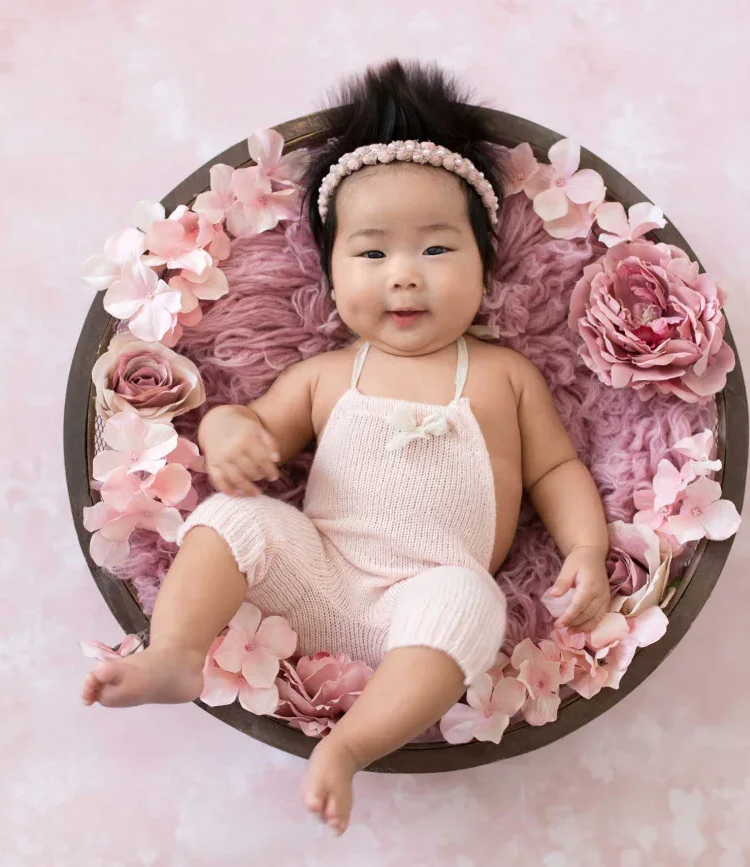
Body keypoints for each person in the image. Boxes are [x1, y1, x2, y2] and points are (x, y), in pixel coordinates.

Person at [81, 59, 611, 836]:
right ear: (329, 274)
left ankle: (350, 743)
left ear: (485, 265)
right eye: (371, 254)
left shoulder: (505, 375)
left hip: (425, 599)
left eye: (436, 250)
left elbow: (558, 468)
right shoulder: (326, 376)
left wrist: (589, 547)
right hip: (319, 576)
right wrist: (228, 432)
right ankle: (175, 651)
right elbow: (253, 425)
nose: (404, 277)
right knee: (236, 518)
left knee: (476, 603)